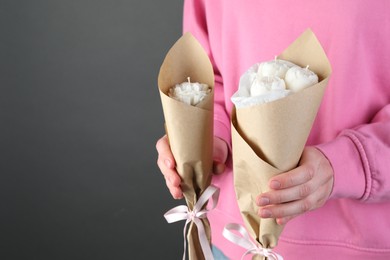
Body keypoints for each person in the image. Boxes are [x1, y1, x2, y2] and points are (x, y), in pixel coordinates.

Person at [156, 0, 390, 259]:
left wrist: (348, 163)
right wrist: (206, 135)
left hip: (360, 246)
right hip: (233, 241)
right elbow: (211, 71)